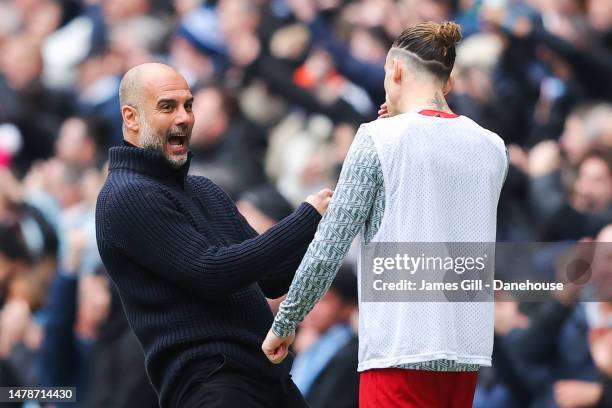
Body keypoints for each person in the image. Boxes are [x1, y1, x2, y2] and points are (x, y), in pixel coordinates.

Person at [262, 21, 509, 407]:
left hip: (400, 346)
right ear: (448, 83)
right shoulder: (493, 147)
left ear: (395, 70)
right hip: (466, 349)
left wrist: (287, 320)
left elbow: (329, 246)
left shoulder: (377, 138)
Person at [95, 62, 332, 408]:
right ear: (131, 118)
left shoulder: (204, 189)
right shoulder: (125, 195)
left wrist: (331, 224)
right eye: (167, 107)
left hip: (268, 378)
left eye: (188, 105)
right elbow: (212, 272)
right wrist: (306, 219)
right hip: (212, 384)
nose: (184, 117)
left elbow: (273, 278)